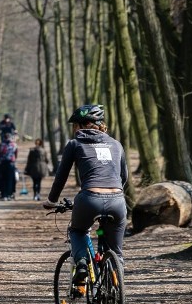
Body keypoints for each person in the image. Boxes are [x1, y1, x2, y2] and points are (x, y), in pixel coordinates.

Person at [42, 104, 128, 286]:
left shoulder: (75, 144)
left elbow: (61, 176)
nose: (74, 129)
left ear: (85, 125)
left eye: (76, 125)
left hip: (89, 199)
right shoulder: (116, 144)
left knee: (77, 230)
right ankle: (116, 288)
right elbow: (124, 177)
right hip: (118, 201)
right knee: (116, 252)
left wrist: (51, 201)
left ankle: (81, 265)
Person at [0, 132, 18, 200]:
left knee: (3, 179)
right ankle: (9, 194)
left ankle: (4, 194)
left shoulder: (1, 144)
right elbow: (16, 154)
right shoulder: (14, 145)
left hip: (3, 163)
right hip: (10, 163)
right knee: (10, 180)